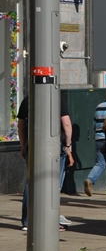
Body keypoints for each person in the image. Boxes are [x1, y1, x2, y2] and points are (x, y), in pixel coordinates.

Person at [18, 95, 73, 231]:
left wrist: (23, 145)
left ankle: (27, 221)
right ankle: (50, 219)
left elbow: (20, 124)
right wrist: (67, 144)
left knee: (32, 181)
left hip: (32, 145)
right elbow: (66, 123)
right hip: (53, 146)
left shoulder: (28, 99)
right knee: (53, 182)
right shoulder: (57, 99)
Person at [84, 87, 106, 197]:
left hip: (99, 137)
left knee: (100, 163)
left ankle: (90, 179)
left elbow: (94, 123)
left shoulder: (98, 106)